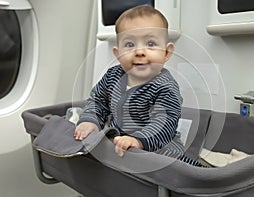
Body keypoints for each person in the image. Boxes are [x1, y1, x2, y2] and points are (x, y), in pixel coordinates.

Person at [74, 5, 203, 166]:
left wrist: (139, 141)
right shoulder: (112, 76)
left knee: (180, 166)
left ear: (166, 53)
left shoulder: (165, 86)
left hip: (158, 148)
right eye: (129, 45)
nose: (140, 51)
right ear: (118, 54)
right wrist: (90, 120)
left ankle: (205, 177)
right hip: (118, 142)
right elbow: (98, 101)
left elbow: (164, 122)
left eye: (150, 43)